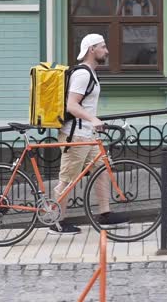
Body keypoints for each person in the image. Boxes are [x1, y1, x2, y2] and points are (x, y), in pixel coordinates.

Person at [49, 34, 130, 235]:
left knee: (102, 170)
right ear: (92, 49)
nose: (107, 50)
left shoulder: (90, 73)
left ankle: (105, 214)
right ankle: (56, 221)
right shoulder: (82, 74)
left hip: (88, 135)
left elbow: (84, 105)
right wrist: (93, 120)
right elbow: (72, 105)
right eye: (103, 47)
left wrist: (94, 122)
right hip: (75, 135)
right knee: (67, 178)